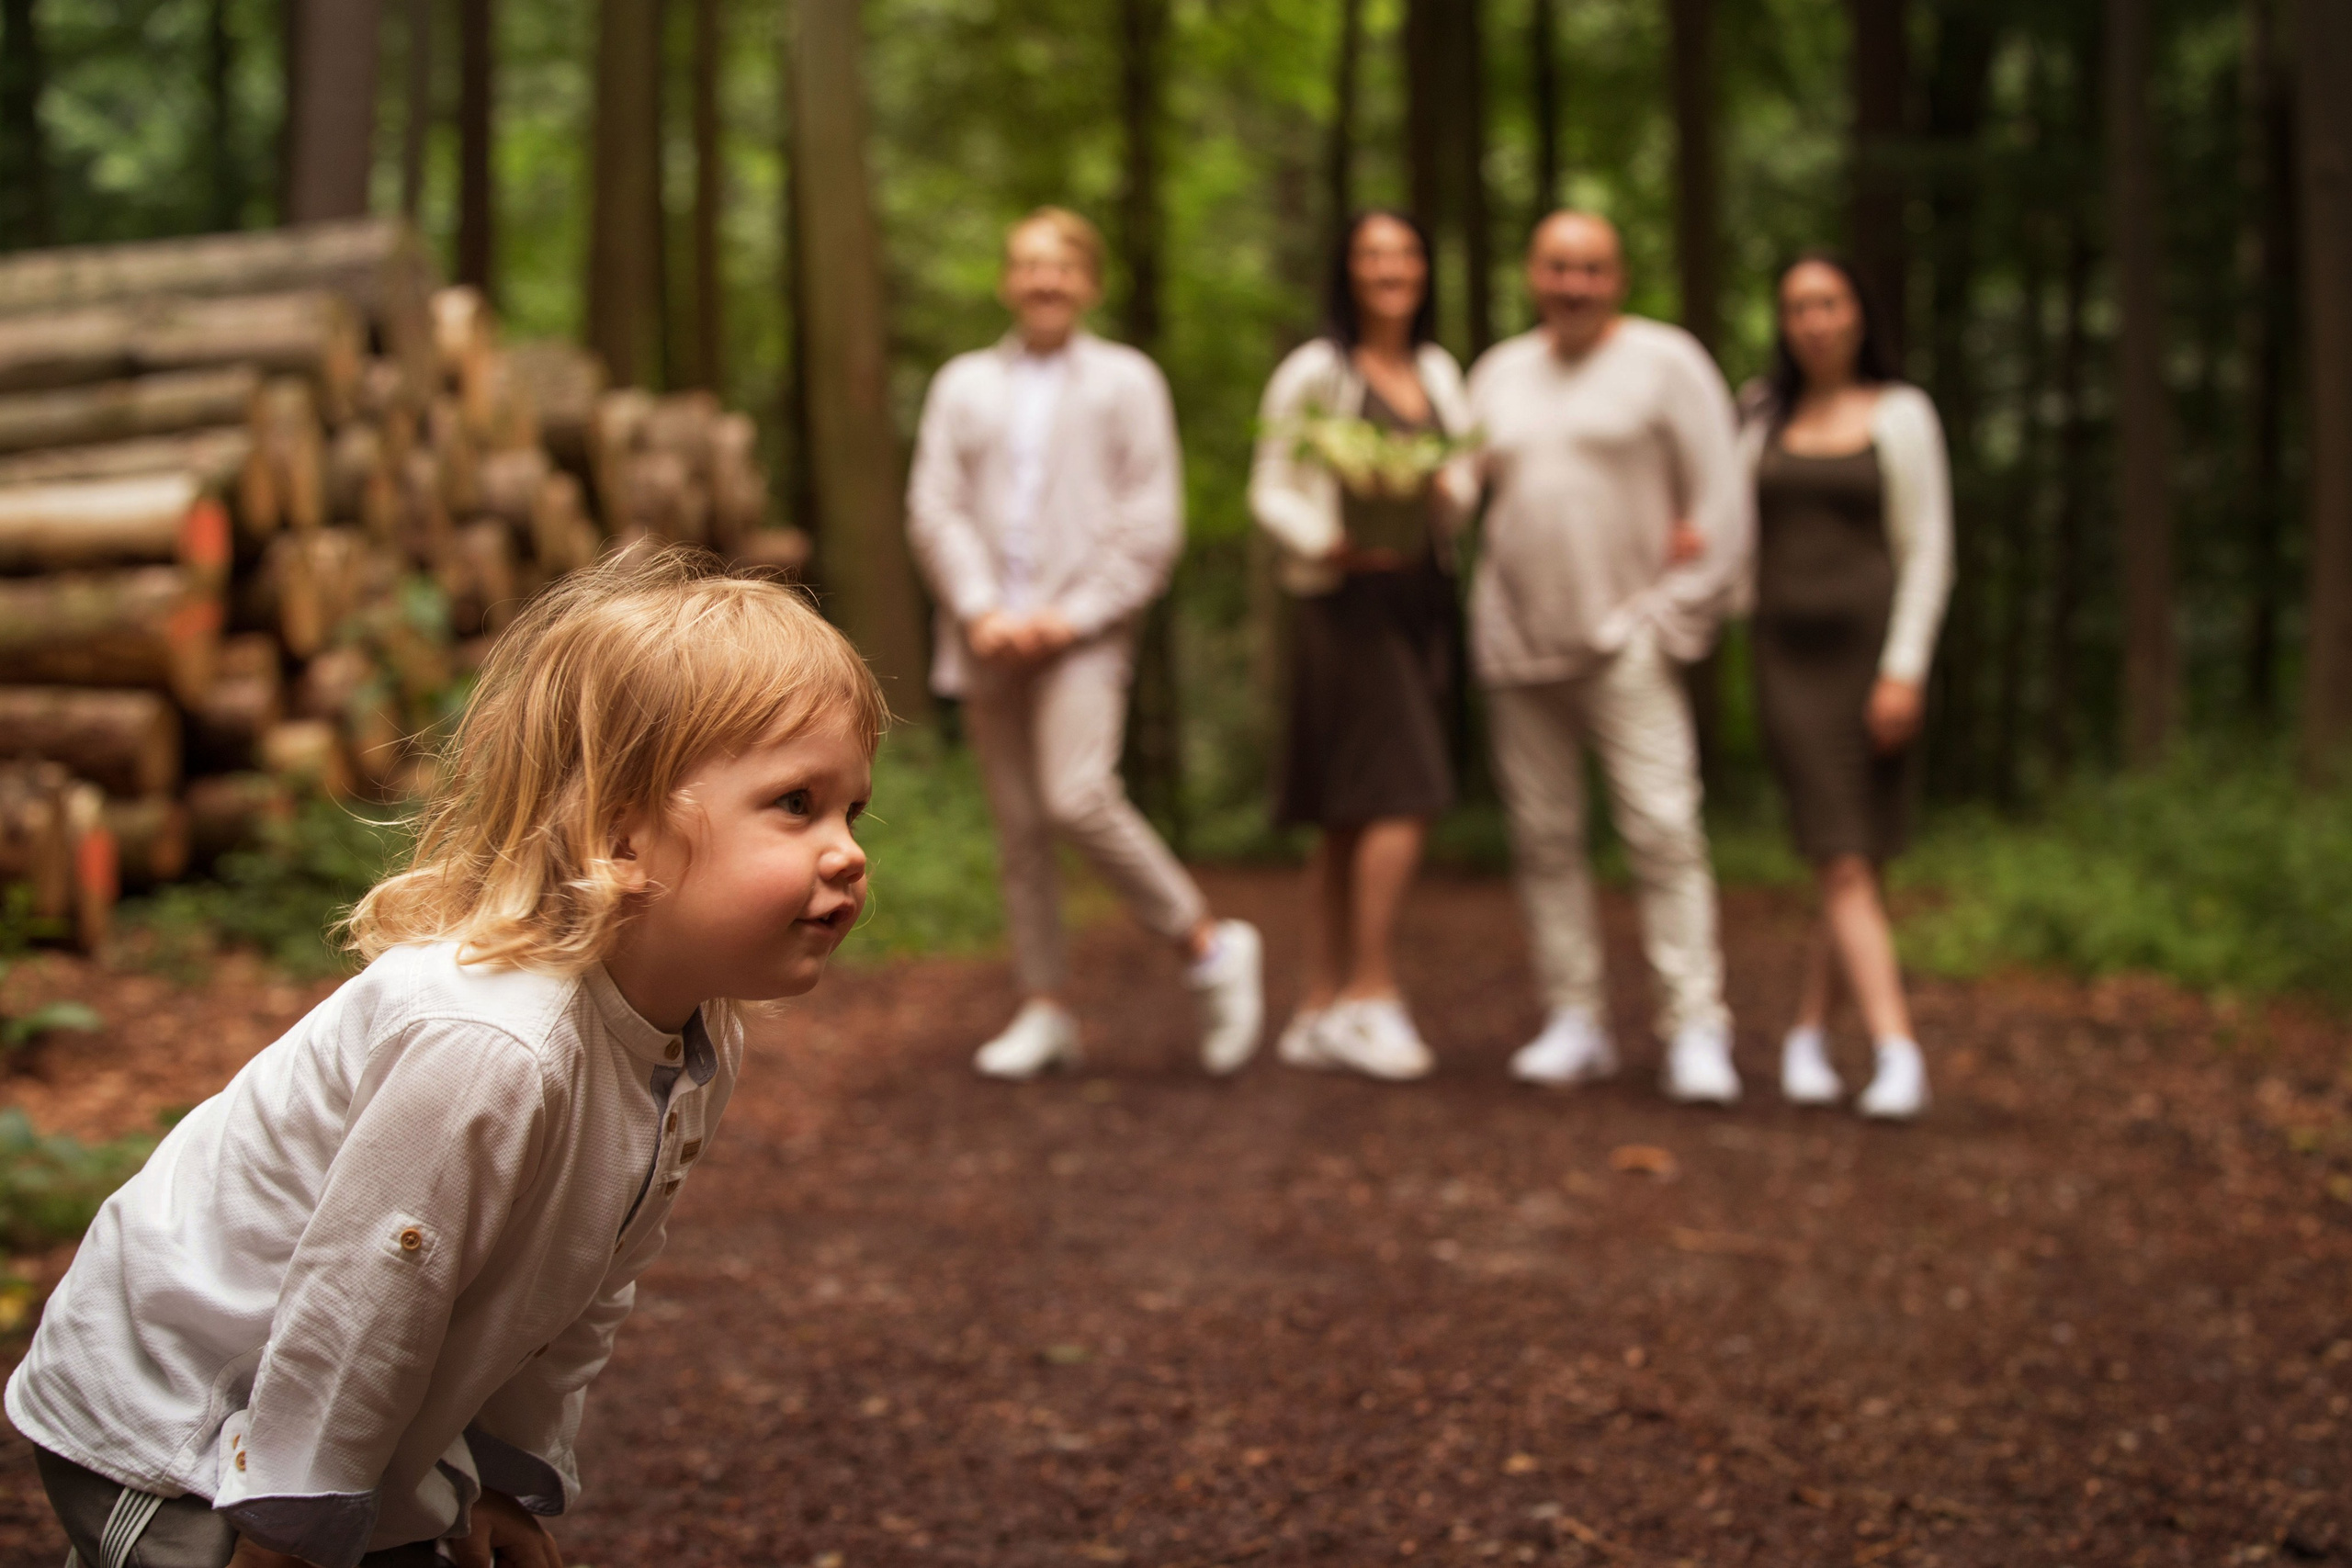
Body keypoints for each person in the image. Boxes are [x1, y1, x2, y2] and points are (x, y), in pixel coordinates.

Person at [5, 546, 885, 1568]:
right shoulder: (496, 1043)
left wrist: (498, 1477)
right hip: (184, 1414)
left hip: (325, 1424)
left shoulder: (693, 1043)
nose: (846, 850)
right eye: (795, 804)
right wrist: (286, 1527)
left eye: (849, 810)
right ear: (623, 837)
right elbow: (364, 1289)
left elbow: (581, 1282)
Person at [906, 206, 1263, 1080]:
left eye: (1062, 265)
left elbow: (1151, 521)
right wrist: (982, 608)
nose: (1044, 280)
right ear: (1006, 280)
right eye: (1028, 264)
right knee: (1021, 828)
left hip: (1083, 637)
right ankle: (1045, 1005)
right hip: (985, 635)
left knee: (1076, 796)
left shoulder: (1128, 382)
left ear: (1090, 283)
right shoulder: (962, 385)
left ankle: (1208, 943)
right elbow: (934, 507)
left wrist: (1068, 617)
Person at [1461, 209, 1752, 1104]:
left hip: (1627, 637)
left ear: (1619, 277)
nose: (1573, 285)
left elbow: (1723, 497)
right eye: (1556, 267)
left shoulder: (1668, 364)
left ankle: (1694, 1027)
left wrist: (1670, 617)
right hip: (1516, 641)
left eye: (1591, 269)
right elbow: (1461, 491)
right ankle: (1574, 1019)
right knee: (1544, 841)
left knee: (1662, 831)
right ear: (1530, 275)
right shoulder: (1497, 373)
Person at [1247, 209, 1475, 1081]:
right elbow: (1271, 483)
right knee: (1386, 796)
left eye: (1406, 253)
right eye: (1373, 255)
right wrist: (1322, 540)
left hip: (1416, 599)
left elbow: (1461, 490)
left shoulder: (1439, 372)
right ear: (1348, 271)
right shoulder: (1315, 371)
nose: (1391, 268)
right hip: (1340, 601)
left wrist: (1445, 488)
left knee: (1367, 802)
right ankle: (1363, 996)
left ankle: (1326, 1005)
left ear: (1424, 271)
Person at [1739, 253, 1951, 1120]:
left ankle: (1806, 1034)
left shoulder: (1902, 414)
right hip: (1786, 660)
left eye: (1829, 303)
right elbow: (1726, 526)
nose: (1814, 321)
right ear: (1783, 322)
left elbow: (1930, 546)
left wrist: (1905, 666)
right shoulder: (1758, 413)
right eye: (1797, 307)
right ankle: (1899, 1049)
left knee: (1854, 856)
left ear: (1859, 314)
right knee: (1842, 856)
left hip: (1871, 656)